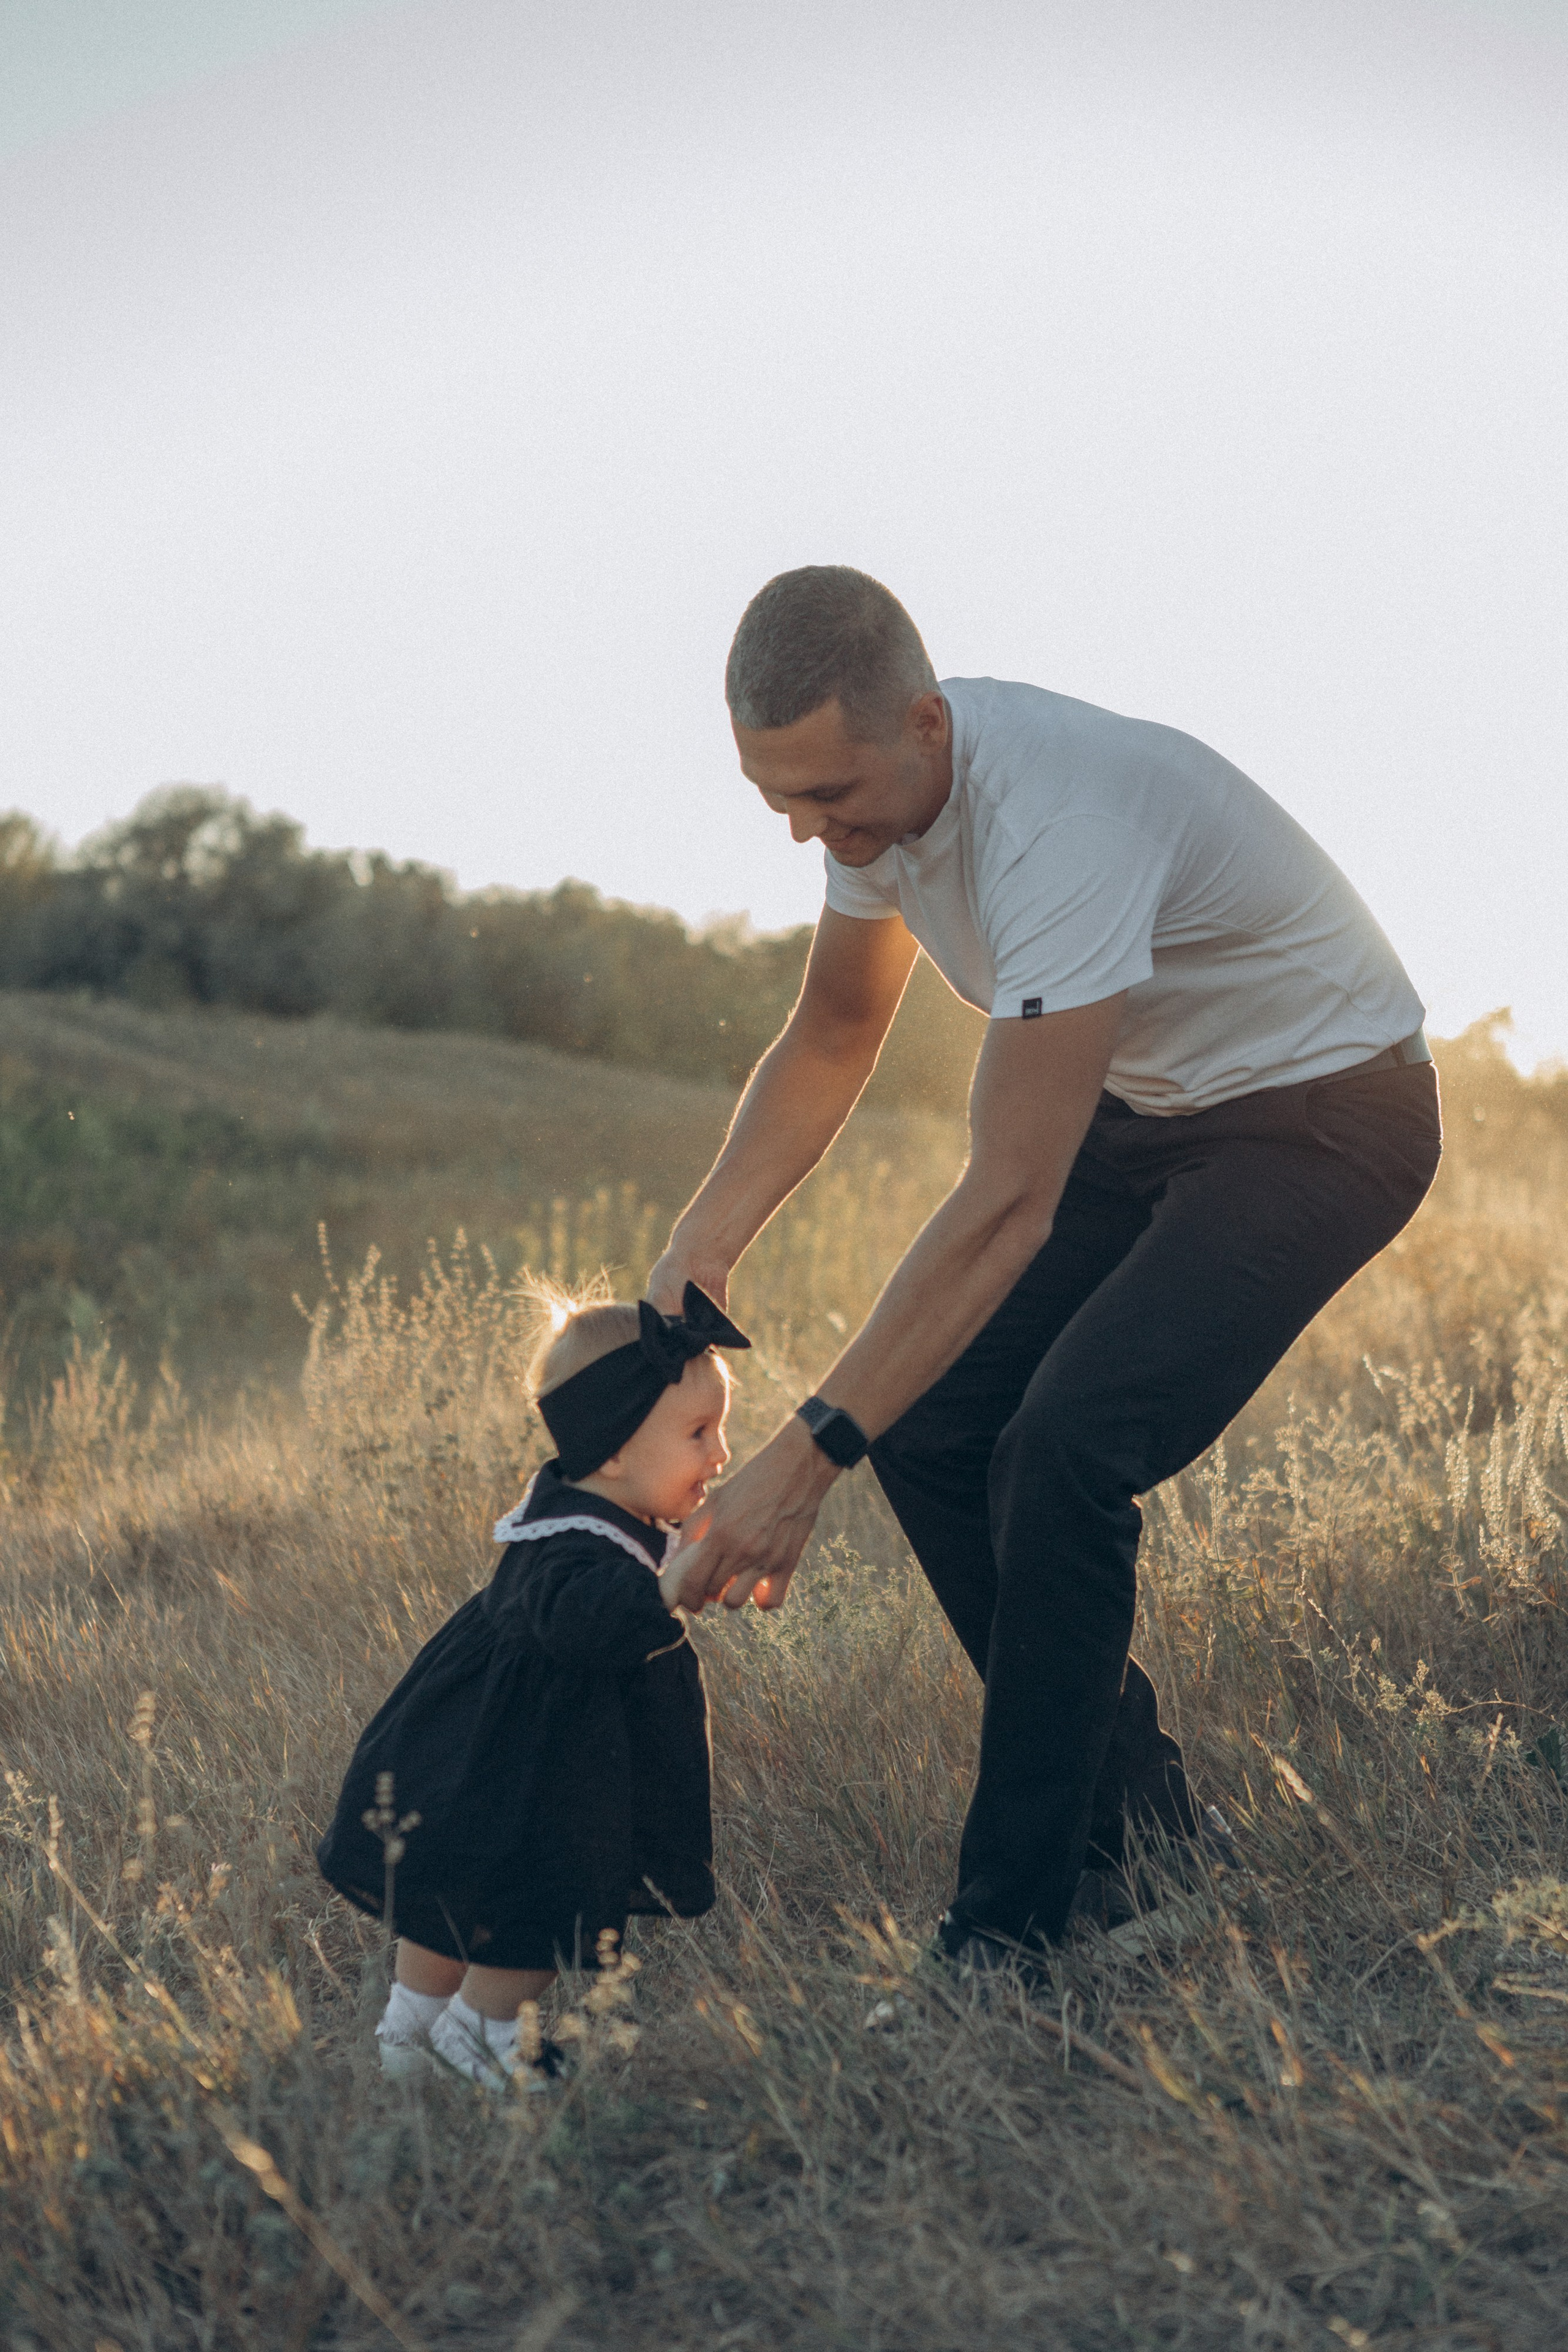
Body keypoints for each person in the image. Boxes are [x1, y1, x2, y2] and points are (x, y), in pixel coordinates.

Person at [657, 565, 1442, 1970]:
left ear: (926, 726)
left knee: (1064, 1448)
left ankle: (1010, 1927)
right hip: (1150, 1114)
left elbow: (1010, 1195)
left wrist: (804, 1457)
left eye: (825, 796)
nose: (803, 833)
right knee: (944, 1423)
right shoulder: (875, 804)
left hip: (1323, 1116)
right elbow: (836, 1030)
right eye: (773, 798)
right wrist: (707, 1233)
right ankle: (1146, 1834)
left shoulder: (1059, 822)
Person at [316, 1283, 747, 2084]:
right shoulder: (573, 1546)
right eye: (698, 1432)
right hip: (546, 1778)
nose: (719, 1454)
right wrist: (666, 1586)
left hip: (492, 1755)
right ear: (614, 1450)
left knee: (453, 1892)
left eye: (719, 1428)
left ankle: (409, 2039)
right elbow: (582, 1620)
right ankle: (474, 2037)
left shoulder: (576, 1511)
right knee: (537, 1907)